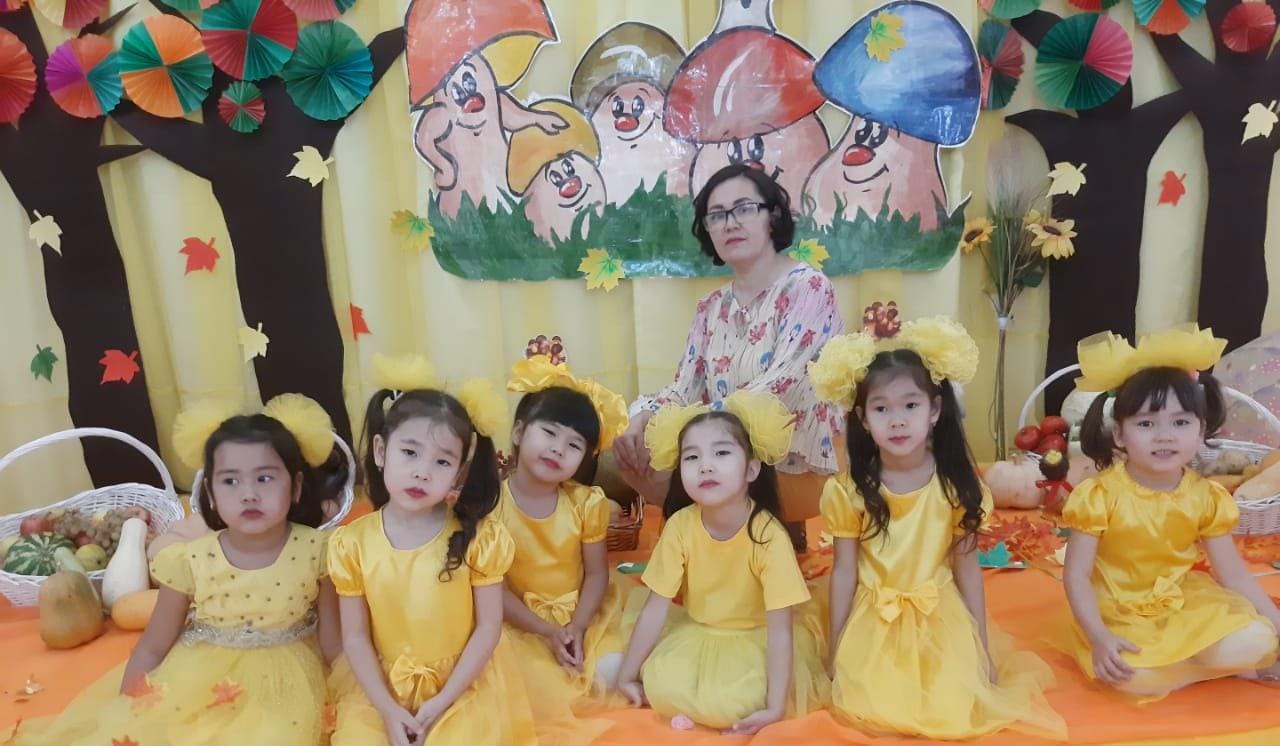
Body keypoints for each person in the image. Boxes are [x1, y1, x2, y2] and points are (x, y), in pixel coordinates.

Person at [14, 395, 341, 745]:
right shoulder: (189, 559)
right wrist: (125, 708)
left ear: (296, 487)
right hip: (201, 680)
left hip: (288, 685)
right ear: (210, 494)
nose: (249, 494)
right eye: (230, 481)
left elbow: (333, 642)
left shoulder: (319, 551)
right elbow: (154, 645)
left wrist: (350, 694)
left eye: (264, 478)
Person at [811, 317, 1066, 740]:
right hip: (874, 615)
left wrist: (981, 647)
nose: (897, 421)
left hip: (938, 615)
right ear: (863, 419)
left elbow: (966, 567)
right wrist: (836, 646)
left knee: (952, 706)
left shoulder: (956, 487)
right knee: (870, 704)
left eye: (910, 406)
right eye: (881, 409)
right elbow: (844, 571)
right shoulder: (849, 491)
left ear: (934, 410)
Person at [613, 164, 844, 551]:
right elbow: (684, 388)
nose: (730, 223)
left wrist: (697, 428)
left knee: (694, 454)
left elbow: (781, 382)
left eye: (744, 209)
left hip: (795, 463)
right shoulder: (710, 307)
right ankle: (705, 550)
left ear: (772, 216)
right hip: (726, 453)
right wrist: (642, 419)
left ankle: (746, 540)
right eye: (717, 215)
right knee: (633, 449)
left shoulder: (809, 287)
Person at [326, 355, 540, 746]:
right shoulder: (351, 543)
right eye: (410, 453)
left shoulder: (478, 538)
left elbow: (488, 628)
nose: (422, 472)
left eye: (442, 461)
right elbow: (354, 637)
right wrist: (388, 709)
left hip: (463, 684)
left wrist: (442, 701)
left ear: (458, 473)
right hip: (382, 688)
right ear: (380, 451)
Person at [1061, 325, 1280, 699]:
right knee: (1129, 672)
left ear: (1201, 431)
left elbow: (1235, 576)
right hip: (1117, 610)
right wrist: (1099, 637)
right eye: (1146, 424)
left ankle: (1186, 668)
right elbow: (1076, 576)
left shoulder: (1206, 496)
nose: (1164, 436)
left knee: (1258, 639)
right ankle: (1200, 668)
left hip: (1182, 601)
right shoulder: (1099, 495)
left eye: (1180, 423)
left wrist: (1277, 626)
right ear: (1120, 435)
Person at [615, 391, 829, 735]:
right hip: (697, 631)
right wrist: (626, 676)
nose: (706, 466)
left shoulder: (768, 535)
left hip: (755, 638)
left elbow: (779, 630)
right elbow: (655, 609)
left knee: (744, 699)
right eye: (692, 457)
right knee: (662, 683)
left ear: (752, 469)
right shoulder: (680, 526)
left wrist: (776, 706)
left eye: (722, 453)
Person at [495, 356, 628, 729]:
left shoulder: (586, 503)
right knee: (521, 686)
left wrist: (578, 627)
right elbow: (494, 589)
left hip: (582, 614)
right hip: (519, 623)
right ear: (518, 432)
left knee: (615, 670)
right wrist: (546, 631)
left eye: (574, 445)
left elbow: (597, 574)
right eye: (549, 433)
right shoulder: (492, 507)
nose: (558, 449)